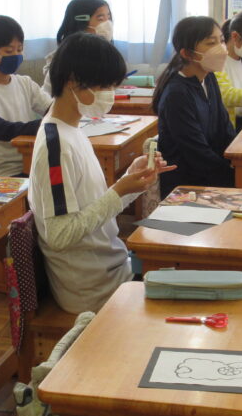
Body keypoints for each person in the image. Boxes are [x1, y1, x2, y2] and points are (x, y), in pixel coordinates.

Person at [28, 32, 172, 313]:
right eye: (104, 85)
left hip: (111, 267)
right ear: (72, 81)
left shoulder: (73, 129)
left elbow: (93, 208)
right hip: (91, 289)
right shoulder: (55, 145)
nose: (110, 93)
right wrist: (119, 190)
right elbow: (59, 235)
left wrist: (131, 183)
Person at [152, 16, 235, 197]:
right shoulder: (177, 94)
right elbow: (196, 152)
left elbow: (224, 126)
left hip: (212, 174)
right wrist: (231, 175)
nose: (221, 48)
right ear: (187, 53)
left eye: (221, 40)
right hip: (186, 186)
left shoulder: (209, 77)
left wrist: (237, 157)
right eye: (211, 43)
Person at [0, 15, 52, 176]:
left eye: (19, 49)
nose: (16, 55)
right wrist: (42, 125)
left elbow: (52, 109)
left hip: (31, 163)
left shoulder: (25, 83)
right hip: (1, 174)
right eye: (8, 51)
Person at [42, 0, 113, 94]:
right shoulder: (65, 58)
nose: (108, 24)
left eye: (108, 17)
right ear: (81, 22)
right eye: (100, 19)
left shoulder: (104, 52)